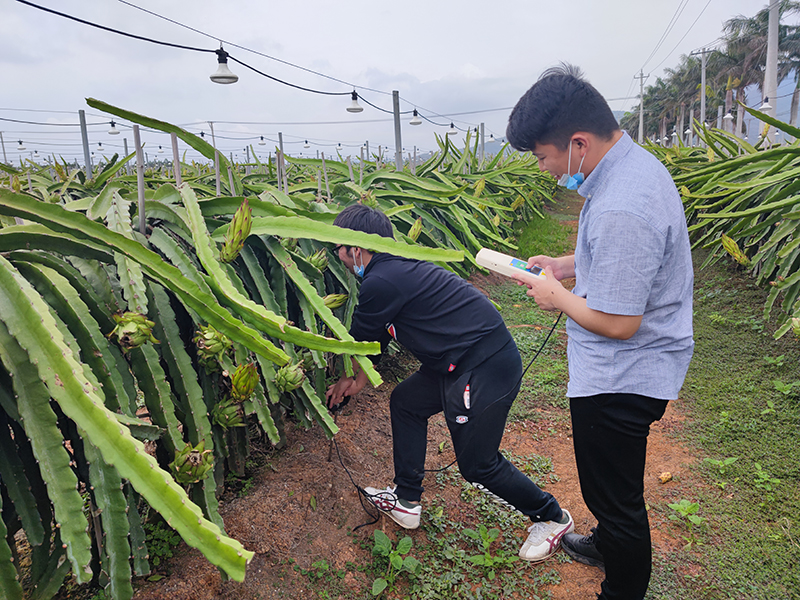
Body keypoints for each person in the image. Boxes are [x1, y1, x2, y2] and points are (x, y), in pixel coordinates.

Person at [506, 64, 694, 600]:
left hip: (624, 377)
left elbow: (619, 322)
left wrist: (556, 297)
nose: (544, 169)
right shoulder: (629, 170)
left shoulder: (622, 206)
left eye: (543, 157)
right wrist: (566, 266)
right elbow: (619, 262)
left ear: (579, 144)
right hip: (626, 368)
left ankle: (623, 587)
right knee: (611, 487)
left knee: (616, 495)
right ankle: (608, 543)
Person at [325, 203, 573, 562]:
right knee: (406, 402)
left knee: (477, 465)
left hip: (483, 365)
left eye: (340, 250)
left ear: (356, 248)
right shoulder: (395, 268)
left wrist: (348, 375)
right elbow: (376, 341)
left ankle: (552, 516)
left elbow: (360, 341)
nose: (341, 260)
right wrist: (359, 380)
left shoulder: (380, 280)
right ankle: (407, 500)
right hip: (454, 362)